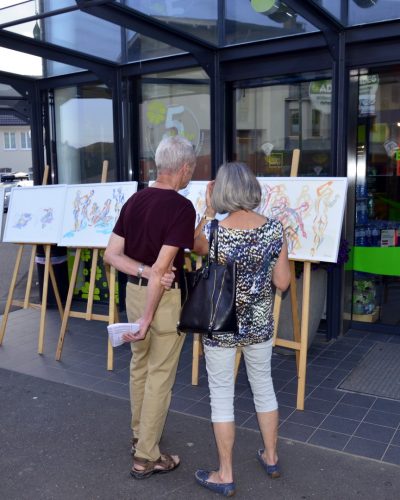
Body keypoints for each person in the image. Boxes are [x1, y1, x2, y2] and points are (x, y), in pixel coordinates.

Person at [192, 162, 290, 497]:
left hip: (221, 323)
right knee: (264, 386)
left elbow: (194, 246)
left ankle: (226, 473)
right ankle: (272, 457)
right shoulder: (275, 229)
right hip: (260, 323)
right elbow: (283, 281)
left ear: (221, 192)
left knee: (222, 396)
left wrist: (207, 209)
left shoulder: (215, 232)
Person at [104, 135, 196, 479]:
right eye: (192, 169)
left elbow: (112, 255)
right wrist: (147, 316)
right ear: (184, 168)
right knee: (160, 374)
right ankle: (146, 457)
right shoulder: (181, 208)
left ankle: (139, 435)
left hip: (134, 291)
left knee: (139, 366)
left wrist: (140, 274)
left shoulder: (135, 200)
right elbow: (162, 270)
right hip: (162, 300)